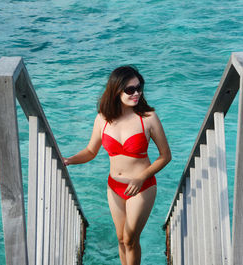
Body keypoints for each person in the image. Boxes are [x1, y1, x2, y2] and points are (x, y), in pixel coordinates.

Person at [63, 65, 171, 265]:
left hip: (141, 187)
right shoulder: (102, 119)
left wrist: (141, 177)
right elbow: (90, 151)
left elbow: (165, 156)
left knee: (130, 239)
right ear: (116, 91)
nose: (137, 93)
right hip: (114, 186)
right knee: (121, 239)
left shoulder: (148, 118)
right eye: (130, 90)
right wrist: (69, 160)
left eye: (139, 88)